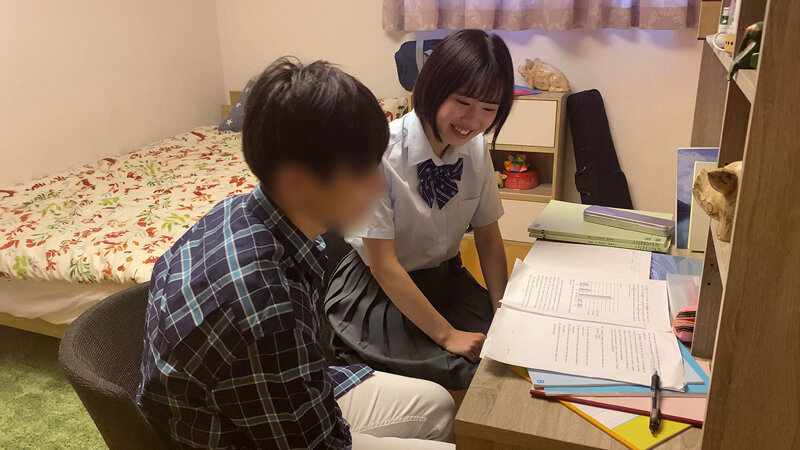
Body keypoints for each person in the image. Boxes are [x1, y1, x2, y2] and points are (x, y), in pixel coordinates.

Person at [136, 58, 455, 449]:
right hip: (237, 434)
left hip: (272, 394)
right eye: (362, 172)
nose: (379, 186)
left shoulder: (235, 209)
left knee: (438, 404)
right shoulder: (266, 307)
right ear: (296, 182)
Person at [325, 29, 515, 391]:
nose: (473, 121)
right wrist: (447, 335)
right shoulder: (379, 154)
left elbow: (489, 236)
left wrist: (503, 309)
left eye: (489, 109)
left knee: (508, 353)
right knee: (465, 371)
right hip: (382, 290)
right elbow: (383, 265)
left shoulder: (475, 149)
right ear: (433, 88)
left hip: (445, 283)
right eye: (463, 102)